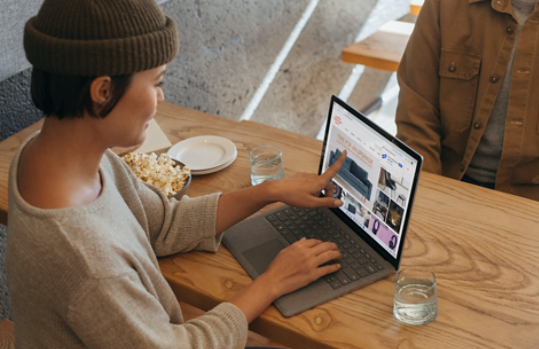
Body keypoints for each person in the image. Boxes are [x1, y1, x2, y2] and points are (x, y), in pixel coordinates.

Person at [6, 0, 348, 348]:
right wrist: (272, 282)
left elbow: (163, 223)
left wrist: (270, 191)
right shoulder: (86, 261)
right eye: (156, 82)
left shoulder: (54, 153)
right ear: (103, 91)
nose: (162, 96)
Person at [396, 0, 539, 201]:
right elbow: (416, 114)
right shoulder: (445, 5)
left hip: (531, 199)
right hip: (444, 179)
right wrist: (427, 197)